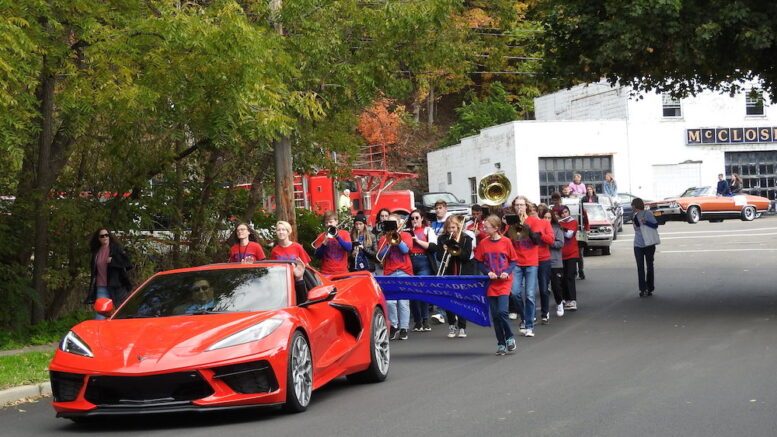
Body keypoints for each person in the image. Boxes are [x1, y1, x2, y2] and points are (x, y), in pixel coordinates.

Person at [474, 215, 518, 355]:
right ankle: (501, 343)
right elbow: (479, 262)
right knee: (495, 316)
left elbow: (513, 260)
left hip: (504, 282)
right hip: (491, 283)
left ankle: (510, 337)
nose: (484, 228)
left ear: (496, 228)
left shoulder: (506, 242)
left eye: (486, 226)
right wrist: (487, 272)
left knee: (502, 312)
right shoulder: (484, 243)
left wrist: (506, 272)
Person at [506, 196, 548, 337]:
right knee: (515, 293)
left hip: (531, 262)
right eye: (517, 205)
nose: (519, 208)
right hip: (516, 262)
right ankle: (524, 318)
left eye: (522, 205)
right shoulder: (511, 222)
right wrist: (509, 225)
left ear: (527, 207)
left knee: (530, 295)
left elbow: (537, 241)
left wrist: (527, 228)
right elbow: (506, 240)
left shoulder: (534, 221)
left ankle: (529, 325)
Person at [435, 215, 475, 338]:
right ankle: (452, 324)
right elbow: (438, 257)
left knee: (462, 299)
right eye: (449, 228)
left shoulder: (466, 238)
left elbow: (466, 256)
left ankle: (462, 327)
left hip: (463, 271)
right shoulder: (442, 238)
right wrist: (444, 250)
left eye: (453, 227)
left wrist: (455, 249)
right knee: (449, 299)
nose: (451, 230)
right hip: (448, 271)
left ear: (459, 227)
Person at [378, 214, 414, 340]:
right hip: (389, 272)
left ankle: (404, 327)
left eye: (394, 223)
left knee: (403, 302)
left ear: (399, 224)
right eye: (389, 223)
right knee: (390, 302)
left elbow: (405, 250)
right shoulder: (383, 238)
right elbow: (381, 256)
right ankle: (394, 325)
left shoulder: (406, 235)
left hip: (404, 271)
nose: (392, 225)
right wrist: (388, 242)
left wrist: (397, 240)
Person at [87, 228, 134, 319]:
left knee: (118, 312)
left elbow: (127, 263)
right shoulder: (96, 252)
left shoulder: (115, 248)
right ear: (98, 238)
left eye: (106, 235)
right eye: (102, 236)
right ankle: (100, 332)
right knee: (100, 315)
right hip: (101, 286)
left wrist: (113, 260)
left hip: (116, 286)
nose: (105, 237)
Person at [407, 209, 437, 331]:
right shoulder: (407, 232)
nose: (414, 220)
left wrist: (417, 240)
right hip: (411, 261)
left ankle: (425, 320)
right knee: (413, 293)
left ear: (422, 218)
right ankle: (417, 321)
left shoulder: (427, 230)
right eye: (412, 218)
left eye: (417, 218)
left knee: (423, 291)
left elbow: (433, 247)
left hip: (424, 261)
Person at [534, 204, 558, 325]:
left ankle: (545, 313)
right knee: (530, 290)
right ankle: (531, 314)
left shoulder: (544, 223)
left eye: (534, 211)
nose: (533, 213)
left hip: (543, 259)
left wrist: (541, 235)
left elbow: (551, 240)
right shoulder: (526, 223)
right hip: (530, 260)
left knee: (543, 289)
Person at [632, 198, 660, 297]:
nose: (632, 207)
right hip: (638, 244)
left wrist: (646, 222)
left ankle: (650, 288)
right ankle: (642, 289)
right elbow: (636, 229)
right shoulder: (634, 216)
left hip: (649, 244)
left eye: (633, 205)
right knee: (640, 267)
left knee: (649, 266)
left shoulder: (648, 213)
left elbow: (656, 225)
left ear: (636, 205)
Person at [541, 206, 566, 317]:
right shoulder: (539, 227)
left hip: (555, 261)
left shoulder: (557, 228)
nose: (547, 220)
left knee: (556, 286)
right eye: (545, 217)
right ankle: (545, 311)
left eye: (549, 217)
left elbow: (560, 243)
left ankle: (559, 302)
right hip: (542, 261)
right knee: (544, 287)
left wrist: (549, 242)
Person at [314, 211, 352, 275]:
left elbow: (349, 248)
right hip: (326, 273)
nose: (328, 224)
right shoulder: (321, 236)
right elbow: (318, 256)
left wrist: (337, 237)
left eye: (331, 222)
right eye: (326, 223)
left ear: (336, 222)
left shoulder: (344, 233)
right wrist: (324, 243)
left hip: (342, 272)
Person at [558, 206, 579, 311]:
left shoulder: (573, 222)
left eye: (566, 212)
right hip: (560, 255)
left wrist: (561, 227)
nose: (564, 215)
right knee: (562, 277)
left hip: (572, 254)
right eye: (562, 213)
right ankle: (565, 299)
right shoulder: (558, 222)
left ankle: (572, 300)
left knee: (570, 276)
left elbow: (569, 235)